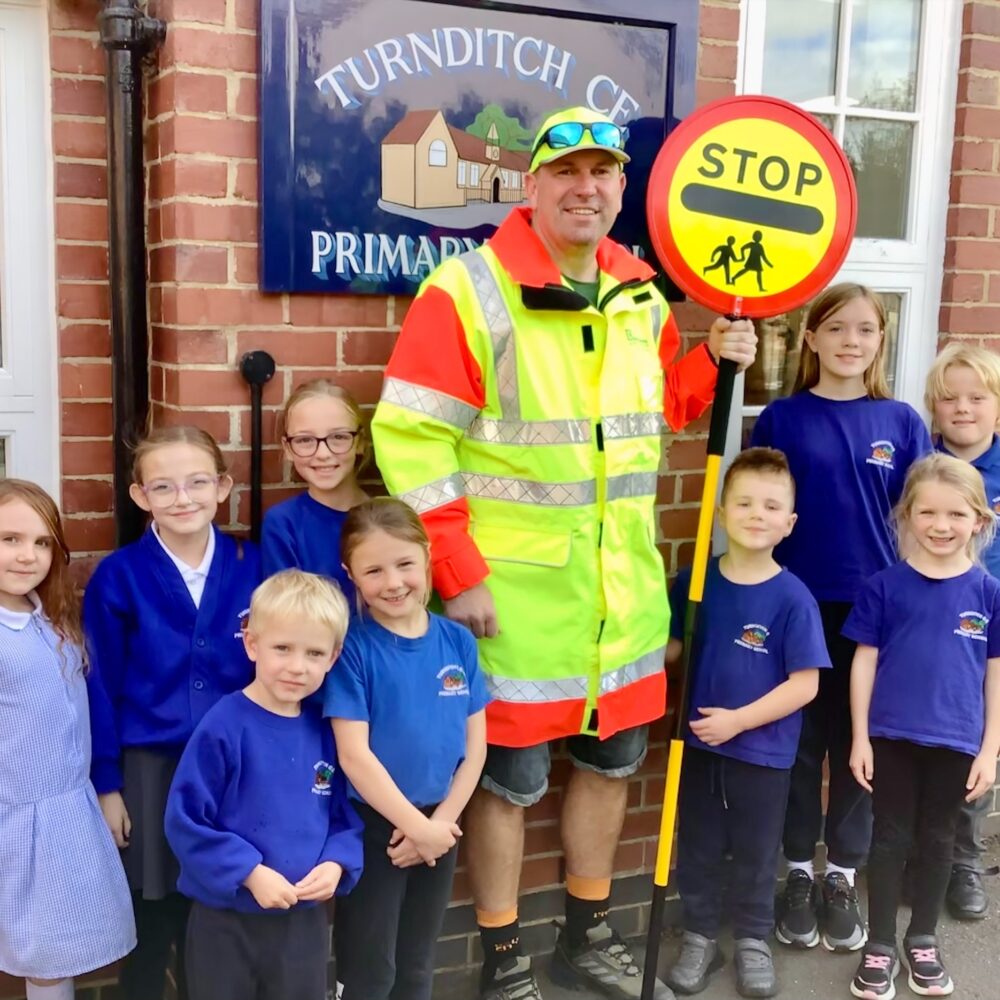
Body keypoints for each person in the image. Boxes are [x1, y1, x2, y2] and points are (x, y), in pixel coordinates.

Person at [371, 104, 757, 1000]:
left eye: (604, 174)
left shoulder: (639, 289)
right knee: (506, 782)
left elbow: (663, 409)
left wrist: (717, 361)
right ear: (533, 185)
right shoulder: (467, 290)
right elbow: (411, 441)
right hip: (510, 603)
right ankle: (505, 955)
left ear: (623, 188)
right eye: (567, 172)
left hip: (620, 595)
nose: (586, 188)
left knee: (614, 765)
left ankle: (586, 931)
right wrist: (457, 574)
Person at [751, 283, 931, 953]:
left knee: (860, 747)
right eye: (837, 329)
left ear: (880, 342)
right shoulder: (782, 419)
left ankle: (842, 874)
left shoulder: (902, 422)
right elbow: (757, 509)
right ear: (811, 338)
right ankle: (798, 870)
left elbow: (920, 519)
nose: (851, 341)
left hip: (876, 612)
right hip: (797, 605)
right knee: (800, 745)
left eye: (866, 330)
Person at [84, 426, 263, 1000]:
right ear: (141, 496)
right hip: (150, 772)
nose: (182, 498)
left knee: (216, 919)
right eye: (164, 486)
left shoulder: (250, 564)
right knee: (152, 917)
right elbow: (100, 685)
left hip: (234, 770)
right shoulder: (119, 576)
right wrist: (108, 784)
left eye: (197, 483)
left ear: (223, 487)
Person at [664, 449, 829, 999]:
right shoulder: (694, 583)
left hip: (762, 752)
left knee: (758, 850)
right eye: (744, 502)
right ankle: (700, 934)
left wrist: (739, 721)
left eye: (772, 505)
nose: (757, 514)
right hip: (699, 747)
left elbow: (805, 685)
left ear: (790, 523)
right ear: (721, 510)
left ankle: (754, 939)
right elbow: (670, 649)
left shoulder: (793, 599)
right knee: (700, 844)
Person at [165, 569, 363, 1000]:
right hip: (226, 920)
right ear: (252, 644)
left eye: (314, 653)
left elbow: (343, 818)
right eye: (282, 649)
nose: (297, 666)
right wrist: (248, 872)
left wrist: (336, 863)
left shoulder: (325, 731)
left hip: (302, 923)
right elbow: (185, 822)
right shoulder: (223, 725)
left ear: (333, 658)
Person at [845, 453, 1000, 999]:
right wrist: (859, 736)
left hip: (957, 741)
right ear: (907, 516)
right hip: (890, 737)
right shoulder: (885, 587)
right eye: (928, 512)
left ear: (979, 521)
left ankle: (924, 939)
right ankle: (881, 943)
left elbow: (994, 675)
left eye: (956, 515)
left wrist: (990, 750)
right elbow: (863, 662)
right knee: (887, 839)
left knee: (939, 840)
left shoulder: (988, 594)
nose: (941, 525)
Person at [325, 498, 488, 1000]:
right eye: (373, 570)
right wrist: (415, 828)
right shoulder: (351, 648)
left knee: (418, 963)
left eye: (404, 565)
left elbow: (475, 745)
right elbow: (354, 756)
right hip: (375, 828)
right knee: (372, 969)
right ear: (350, 573)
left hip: (443, 822)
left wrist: (439, 826)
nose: (393, 582)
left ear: (427, 557)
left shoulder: (457, 642)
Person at [0, 480, 135, 1000]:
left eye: (41, 542)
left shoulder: (50, 619)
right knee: (38, 950)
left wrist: (104, 787)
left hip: (63, 815)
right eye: (10, 539)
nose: (27, 555)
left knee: (57, 952)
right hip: (15, 818)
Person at [924, 342, 1000, 919]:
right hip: (924, 627)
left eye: (978, 397)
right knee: (915, 743)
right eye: (950, 398)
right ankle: (917, 858)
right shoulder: (919, 464)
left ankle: (964, 861)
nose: (963, 408)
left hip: (988, 633)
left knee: (978, 747)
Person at [261, 379, 369, 600]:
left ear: (360, 442)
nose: (322, 453)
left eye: (338, 437)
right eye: (305, 440)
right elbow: (287, 610)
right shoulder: (283, 524)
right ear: (288, 448)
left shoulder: (387, 517)